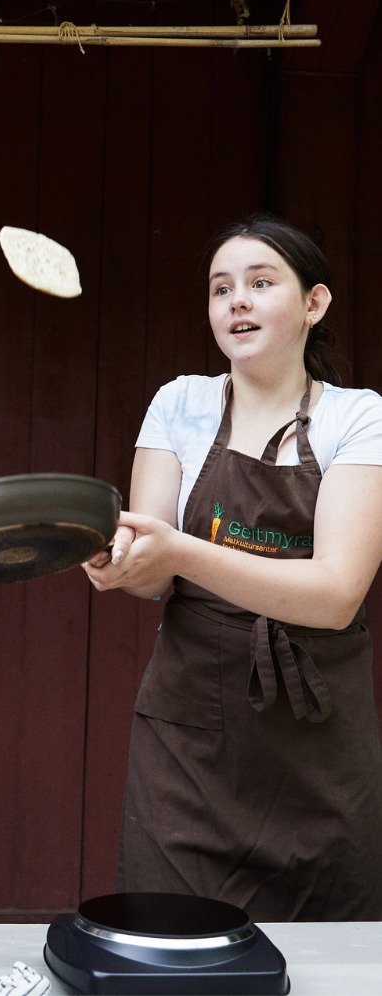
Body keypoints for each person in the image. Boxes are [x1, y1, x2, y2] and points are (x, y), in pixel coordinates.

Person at [84, 213, 382, 921]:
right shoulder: (180, 404)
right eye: (222, 289)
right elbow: (152, 574)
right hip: (190, 737)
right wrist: (115, 558)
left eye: (261, 282)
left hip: (317, 746)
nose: (237, 301)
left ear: (313, 304)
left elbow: (336, 594)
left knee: (325, 954)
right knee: (171, 940)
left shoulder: (358, 418)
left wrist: (179, 549)